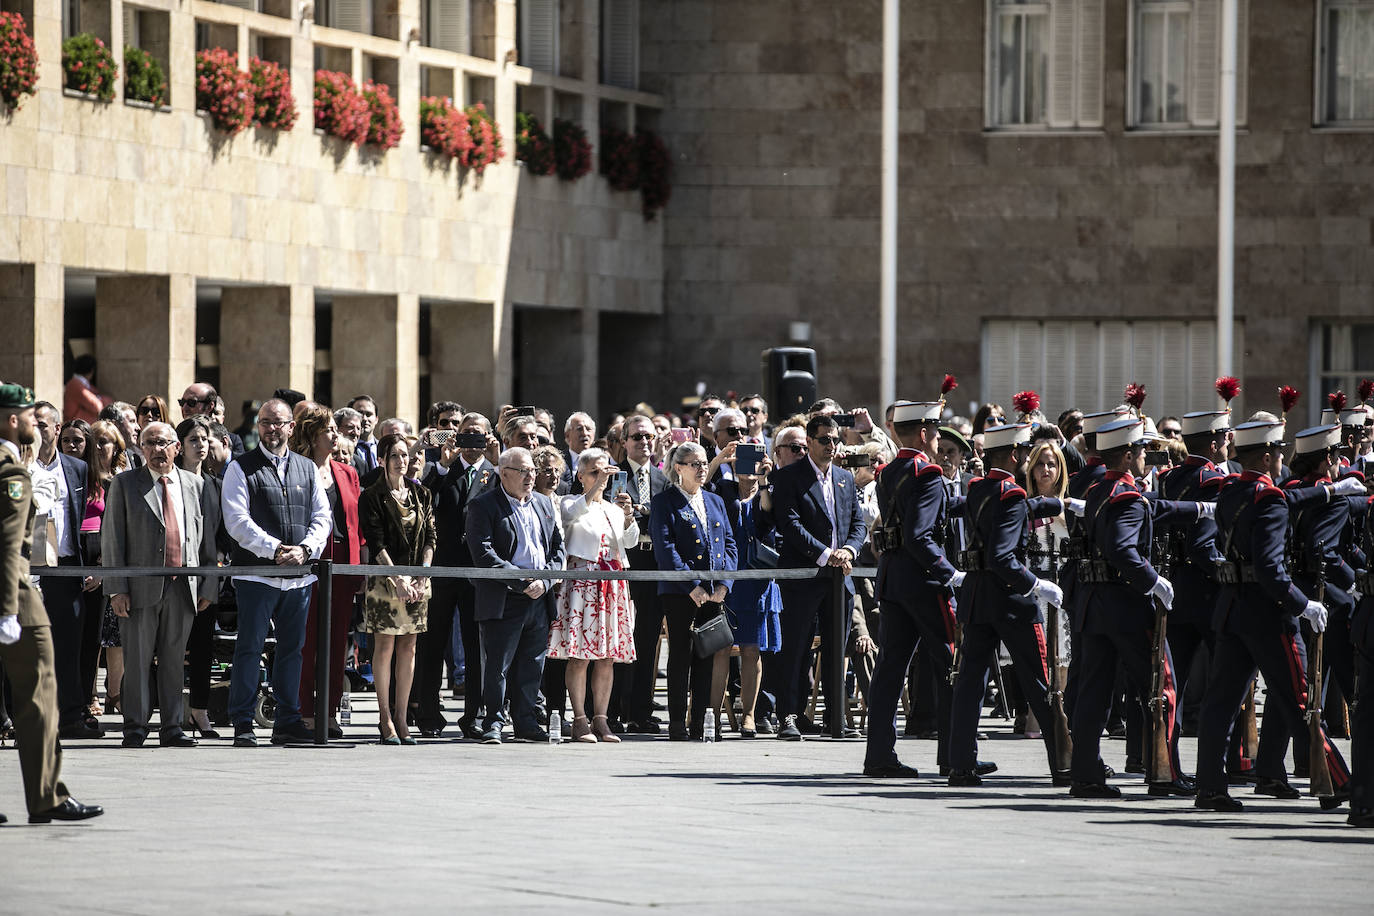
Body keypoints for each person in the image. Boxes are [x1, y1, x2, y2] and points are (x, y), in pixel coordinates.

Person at [1194, 419, 1359, 812]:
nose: (1283, 458)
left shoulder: (1233, 489)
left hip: (1232, 610)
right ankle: (1337, 782)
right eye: (1279, 452)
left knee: (1220, 704)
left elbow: (1285, 501)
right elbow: (1270, 567)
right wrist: (1303, 604)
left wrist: (1331, 489)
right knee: (1302, 700)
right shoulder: (1266, 497)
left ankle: (1210, 786)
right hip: (1268, 616)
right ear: (1268, 456)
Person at [1068, 416, 1203, 799]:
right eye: (1142, 451)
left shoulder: (1100, 491)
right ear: (1128, 456)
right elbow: (1124, 550)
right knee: (1164, 687)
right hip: (1127, 606)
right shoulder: (1125, 496)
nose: (1147, 457)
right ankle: (1165, 771)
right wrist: (1154, 581)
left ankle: (1085, 774)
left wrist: (1198, 510)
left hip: (1096, 605)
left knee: (1094, 691)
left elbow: (1153, 508)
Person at [0, 382, 103, 823]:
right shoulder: (10, 472)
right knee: (39, 698)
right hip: (16, 598)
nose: (34, 425)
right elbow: (8, 547)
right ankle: (47, 796)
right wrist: (7, 610)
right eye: (29, 417)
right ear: (12, 420)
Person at [946, 422, 1065, 787]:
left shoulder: (980, 488)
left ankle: (961, 763)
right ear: (1014, 455)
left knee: (970, 685)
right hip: (1011, 600)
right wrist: (1036, 585)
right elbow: (1002, 556)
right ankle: (1065, 761)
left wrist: (1052, 501)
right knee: (1039, 682)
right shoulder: (1010, 493)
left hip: (978, 597)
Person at [221, 399, 332, 747]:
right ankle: (242, 723)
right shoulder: (240, 468)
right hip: (256, 577)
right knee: (249, 649)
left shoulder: (307, 468)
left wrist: (306, 550)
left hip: (299, 577)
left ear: (291, 428)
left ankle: (287, 721)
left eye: (278, 423)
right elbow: (237, 521)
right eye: (265, 422)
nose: (271, 429)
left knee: (291, 650)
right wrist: (275, 550)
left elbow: (322, 516)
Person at [863, 399, 964, 779]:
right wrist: (949, 572)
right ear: (924, 434)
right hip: (924, 583)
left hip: (892, 579)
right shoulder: (927, 473)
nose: (938, 440)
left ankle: (879, 755)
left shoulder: (890, 471)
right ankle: (956, 755)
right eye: (936, 433)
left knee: (890, 670)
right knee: (950, 666)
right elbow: (921, 535)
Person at [101, 421, 217, 748]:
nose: (156, 450)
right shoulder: (124, 485)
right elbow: (112, 541)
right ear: (140, 448)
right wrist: (116, 588)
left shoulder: (196, 485)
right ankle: (135, 726)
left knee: (174, 658)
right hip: (139, 588)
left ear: (176, 447)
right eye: (149, 443)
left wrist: (208, 586)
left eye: (163, 443)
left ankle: (172, 727)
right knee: (137, 659)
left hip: (184, 585)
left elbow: (206, 540)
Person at [769, 414, 867, 740]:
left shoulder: (844, 477)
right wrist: (827, 554)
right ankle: (789, 716)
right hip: (806, 575)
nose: (831, 445)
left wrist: (849, 551)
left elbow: (857, 524)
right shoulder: (789, 478)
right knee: (795, 648)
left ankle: (834, 718)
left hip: (840, 577)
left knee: (836, 650)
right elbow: (790, 525)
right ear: (809, 441)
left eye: (835, 439)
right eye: (824, 439)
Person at [465, 447, 566, 744]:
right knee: (498, 665)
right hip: (505, 596)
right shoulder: (483, 506)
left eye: (532, 471)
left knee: (532, 665)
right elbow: (483, 554)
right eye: (523, 471)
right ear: (504, 473)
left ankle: (525, 722)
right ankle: (494, 721)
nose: (530, 476)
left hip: (539, 597)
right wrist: (523, 581)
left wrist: (545, 581)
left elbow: (558, 549)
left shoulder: (545, 505)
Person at [414, 411, 500, 739]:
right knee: (432, 642)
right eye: (466, 434)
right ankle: (429, 714)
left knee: (475, 645)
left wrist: (495, 460)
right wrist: (443, 464)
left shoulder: (494, 473)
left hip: (477, 570)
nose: (471, 441)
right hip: (443, 567)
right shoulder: (443, 472)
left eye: (478, 435)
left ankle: (474, 717)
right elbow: (426, 500)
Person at [650, 442, 737, 739]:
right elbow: (665, 549)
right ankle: (676, 721)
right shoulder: (665, 502)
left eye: (704, 463)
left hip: (713, 592)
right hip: (679, 593)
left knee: (707, 655)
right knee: (681, 655)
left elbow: (729, 544)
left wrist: (724, 584)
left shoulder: (714, 500)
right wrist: (691, 585)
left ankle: (699, 721)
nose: (702, 469)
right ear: (678, 468)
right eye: (694, 464)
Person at [550, 449, 638, 743]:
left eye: (605, 472)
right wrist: (595, 487)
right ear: (580, 475)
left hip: (612, 584)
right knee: (579, 657)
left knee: (607, 658)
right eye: (593, 473)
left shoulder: (612, 508)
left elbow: (629, 542)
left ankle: (601, 719)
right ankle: (579, 719)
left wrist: (627, 515)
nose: (601, 478)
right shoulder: (570, 502)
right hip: (582, 585)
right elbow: (569, 517)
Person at [290, 405, 364, 739]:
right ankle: (305, 712)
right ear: (312, 433)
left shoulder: (347, 473)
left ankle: (330, 712)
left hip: (343, 568)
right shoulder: (296, 469)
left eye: (336, 429)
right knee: (306, 642)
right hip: (308, 566)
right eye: (329, 430)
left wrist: (360, 569)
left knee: (337, 644)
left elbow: (357, 526)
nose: (336, 435)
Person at [358, 433, 436, 745]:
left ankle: (403, 717)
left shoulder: (422, 495)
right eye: (395, 456)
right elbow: (374, 541)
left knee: (410, 648)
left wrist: (422, 574)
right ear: (382, 460)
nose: (403, 461)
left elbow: (431, 535)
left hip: (417, 581)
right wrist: (397, 578)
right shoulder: (372, 496)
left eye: (405, 455)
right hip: (385, 582)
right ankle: (384, 717)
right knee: (385, 647)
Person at [31, 403, 95, 736]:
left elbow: (81, 517)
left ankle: (71, 716)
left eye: (42, 424)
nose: (36, 429)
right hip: (27, 567)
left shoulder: (76, 468)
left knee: (69, 645)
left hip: (66, 566)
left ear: (57, 429)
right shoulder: (18, 467)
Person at [722, 435, 781, 738]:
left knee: (751, 650)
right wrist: (720, 459)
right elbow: (699, 489)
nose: (749, 466)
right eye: (743, 459)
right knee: (720, 648)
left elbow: (769, 513)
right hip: (727, 581)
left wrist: (765, 479)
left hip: (757, 581)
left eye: (756, 458)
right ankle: (709, 712)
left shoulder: (768, 490)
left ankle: (749, 715)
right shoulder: (723, 490)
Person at [620, 415, 674, 734]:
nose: (644, 442)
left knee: (648, 638)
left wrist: (643, 511)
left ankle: (641, 709)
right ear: (624, 441)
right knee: (619, 637)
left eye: (649, 437)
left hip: (653, 564)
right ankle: (614, 708)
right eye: (637, 437)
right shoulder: (615, 476)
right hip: (623, 565)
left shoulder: (663, 479)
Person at [176, 416, 230, 738]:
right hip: (172, 578)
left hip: (206, 578)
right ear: (180, 445)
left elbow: (223, 539)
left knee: (202, 646)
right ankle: (168, 711)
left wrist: (213, 579)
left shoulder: (216, 485)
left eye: (205, 439)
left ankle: (199, 710)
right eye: (194, 439)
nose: (201, 445)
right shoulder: (169, 481)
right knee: (168, 647)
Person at [560, 412, 597, 494]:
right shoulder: (559, 460)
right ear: (567, 435)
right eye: (579, 429)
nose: (585, 433)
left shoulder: (601, 461)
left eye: (588, 429)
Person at [349, 395, 380, 473]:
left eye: (369, 414)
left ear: (376, 419)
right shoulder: (343, 451)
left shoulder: (384, 448)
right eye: (360, 414)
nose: (365, 419)